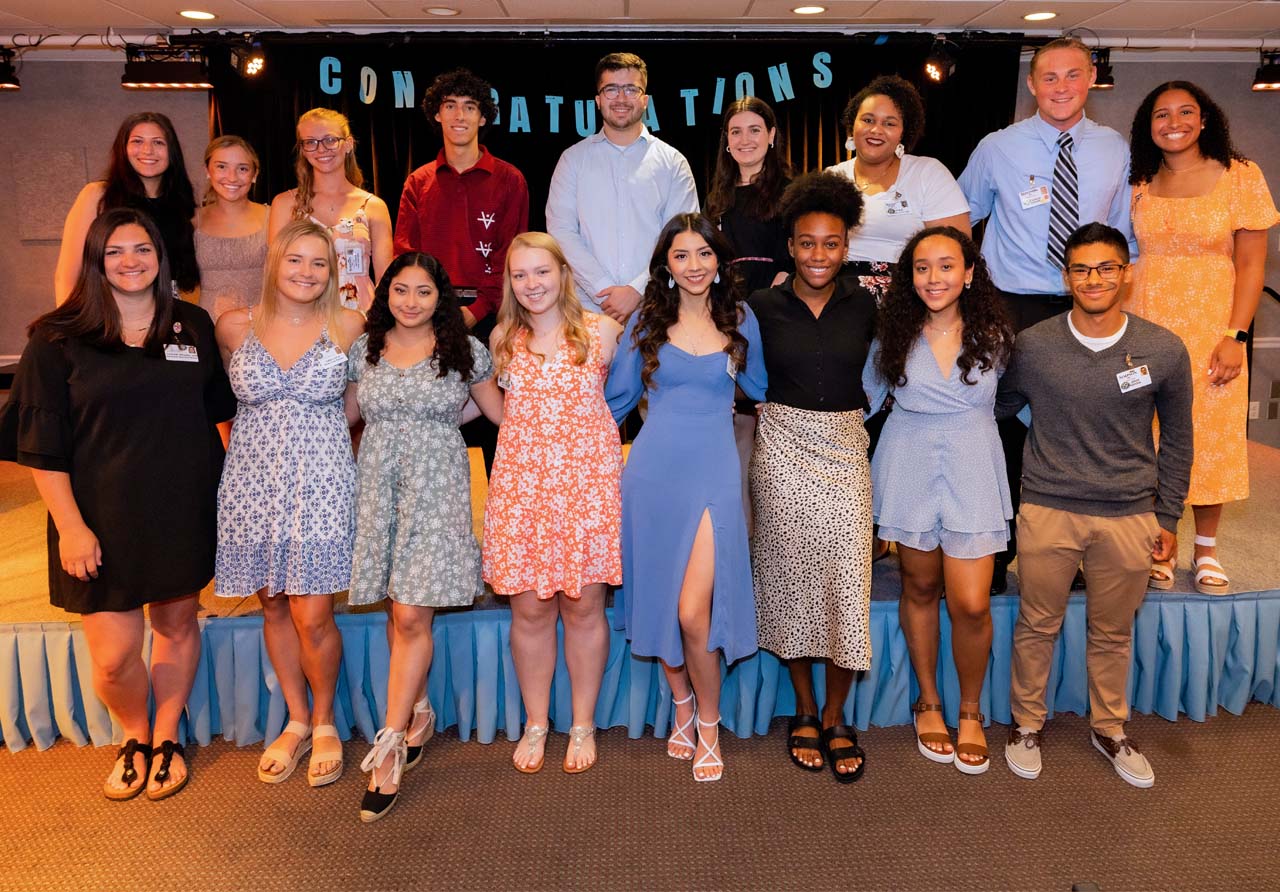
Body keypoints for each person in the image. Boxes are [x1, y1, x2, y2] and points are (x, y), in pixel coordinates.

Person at [0, 208, 234, 800]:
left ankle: (164, 736)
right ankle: (133, 733)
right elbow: (39, 450)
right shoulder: (56, 339)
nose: (131, 261)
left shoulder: (192, 325)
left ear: (161, 258)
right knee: (112, 656)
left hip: (181, 508)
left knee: (178, 625)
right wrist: (72, 529)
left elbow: (219, 414)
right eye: (115, 252)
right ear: (96, 262)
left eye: (142, 249)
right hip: (96, 519)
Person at [997, 223, 1193, 789]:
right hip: (1048, 507)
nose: (1094, 279)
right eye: (1081, 269)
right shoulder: (1032, 346)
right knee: (1037, 623)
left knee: (1113, 632)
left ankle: (1110, 728)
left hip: (1130, 513)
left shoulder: (1162, 348)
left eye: (1106, 267)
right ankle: (1026, 725)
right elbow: (998, 408)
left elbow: (1178, 438)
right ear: (1066, 277)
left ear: (1125, 273)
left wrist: (1168, 516)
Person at [959, 37, 1135, 594]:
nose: (1061, 87)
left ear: (1090, 80)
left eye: (1073, 76)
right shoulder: (997, 147)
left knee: (1076, 432)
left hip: (1089, 303)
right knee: (1003, 428)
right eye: (1049, 78)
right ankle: (995, 555)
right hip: (1012, 304)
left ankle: (1070, 554)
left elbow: (1125, 235)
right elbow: (959, 220)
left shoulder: (1115, 148)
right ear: (1032, 85)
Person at [605, 213, 767, 782]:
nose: (694, 265)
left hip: (714, 473)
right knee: (659, 601)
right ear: (666, 265)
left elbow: (764, 393)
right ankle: (680, 703)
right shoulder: (645, 322)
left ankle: (710, 722)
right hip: (652, 476)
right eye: (681, 255)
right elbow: (614, 404)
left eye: (704, 254)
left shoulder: (742, 320)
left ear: (719, 261)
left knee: (693, 612)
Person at [345, 252, 504, 822]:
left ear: (443, 299)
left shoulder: (465, 351)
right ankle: (417, 713)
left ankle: (388, 747)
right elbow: (342, 422)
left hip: (436, 492)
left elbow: (502, 417)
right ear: (386, 293)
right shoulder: (363, 351)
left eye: (425, 292)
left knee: (411, 616)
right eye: (401, 290)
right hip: (379, 487)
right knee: (397, 611)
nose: (411, 301)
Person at [214, 219, 365, 788]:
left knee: (313, 612)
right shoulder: (234, 325)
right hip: (251, 483)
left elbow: (357, 405)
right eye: (296, 260)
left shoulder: (347, 324)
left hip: (322, 483)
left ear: (333, 272)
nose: (306, 272)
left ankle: (325, 719)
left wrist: (315, 435)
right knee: (274, 606)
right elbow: (216, 400)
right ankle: (297, 721)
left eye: (319, 263)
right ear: (274, 263)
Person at [862, 226, 1014, 775]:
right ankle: (928, 700)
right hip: (907, 461)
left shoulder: (995, 334)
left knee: (971, 601)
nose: (934, 278)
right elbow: (861, 404)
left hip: (973, 463)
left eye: (946, 266)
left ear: (969, 273)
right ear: (909, 277)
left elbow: (1020, 404)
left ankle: (970, 709)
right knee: (920, 586)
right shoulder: (892, 336)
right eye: (922, 268)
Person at [1126, 81, 1279, 595]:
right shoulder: (1140, 180)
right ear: (1148, 126)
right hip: (1145, 321)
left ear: (1205, 118)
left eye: (1185, 111)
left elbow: (1253, 263)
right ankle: (1158, 542)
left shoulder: (1241, 176)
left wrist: (1236, 334)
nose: (1174, 122)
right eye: (1161, 114)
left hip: (1213, 325)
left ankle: (1207, 550)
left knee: (1209, 434)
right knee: (1148, 436)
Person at [747, 172, 875, 784]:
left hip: (846, 446)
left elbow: (883, 374)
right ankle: (802, 708)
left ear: (845, 247)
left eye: (830, 243)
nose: (818, 254)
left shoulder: (868, 305)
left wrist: (857, 418)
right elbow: (742, 376)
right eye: (806, 243)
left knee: (847, 581)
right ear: (790, 246)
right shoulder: (762, 307)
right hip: (782, 447)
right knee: (793, 580)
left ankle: (835, 713)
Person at [483, 232, 624, 776]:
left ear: (563, 273)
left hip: (586, 489)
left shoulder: (602, 331)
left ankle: (583, 723)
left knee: (584, 608)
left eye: (541, 271)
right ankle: (537, 722)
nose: (531, 284)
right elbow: (499, 412)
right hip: (522, 491)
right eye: (520, 275)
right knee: (530, 610)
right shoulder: (502, 339)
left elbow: (630, 395)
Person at [546, 52, 699, 322]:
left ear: (645, 100)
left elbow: (681, 237)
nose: (621, 98)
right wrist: (603, 290)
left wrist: (636, 290)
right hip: (586, 312)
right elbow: (562, 232)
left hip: (657, 309)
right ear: (597, 100)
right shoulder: (573, 160)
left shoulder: (673, 162)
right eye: (611, 89)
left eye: (631, 89)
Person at [705, 96, 793, 527]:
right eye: (735, 132)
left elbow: (793, 261)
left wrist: (760, 308)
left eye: (755, 130)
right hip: (726, 316)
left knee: (774, 430)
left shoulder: (792, 191)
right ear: (726, 142)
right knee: (737, 432)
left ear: (772, 136)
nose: (745, 140)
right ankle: (739, 534)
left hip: (776, 315)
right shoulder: (717, 199)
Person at [394, 68, 530, 337]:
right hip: (428, 311)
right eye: (450, 105)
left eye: (470, 107)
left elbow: (512, 254)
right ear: (437, 114)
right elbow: (406, 255)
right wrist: (425, 304)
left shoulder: (510, 179)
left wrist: (478, 309)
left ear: (482, 118)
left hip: (493, 315)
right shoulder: (418, 181)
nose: (459, 116)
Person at [827, 75, 970, 303]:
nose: (876, 130)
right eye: (868, 120)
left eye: (889, 123)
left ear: (903, 132)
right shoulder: (832, 178)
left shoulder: (928, 173)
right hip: (839, 298)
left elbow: (957, 250)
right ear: (852, 124)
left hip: (910, 298)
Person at [54, 112, 200, 305]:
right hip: (109, 312)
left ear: (172, 152)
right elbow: (67, 275)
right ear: (123, 149)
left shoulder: (184, 205)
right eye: (137, 141)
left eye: (158, 142)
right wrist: (68, 330)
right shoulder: (97, 196)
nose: (147, 150)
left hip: (169, 313)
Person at [269, 108, 393, 313]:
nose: (321, 149)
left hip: (361, 317)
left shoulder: (373, 206)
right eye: (310, 142)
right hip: (303, 317)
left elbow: (386, 280)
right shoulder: (284, 204)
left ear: (348, 145)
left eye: (330, 140)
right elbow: (275, 273)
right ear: (303, 150)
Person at [194, 135, 269, 322]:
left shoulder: (274, 216)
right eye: (221, 167)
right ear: (207, 170)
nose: (232, 177)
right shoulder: (192, 220)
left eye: (242, 169)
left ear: (255, 174)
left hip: (261, 328)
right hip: (205, 329)